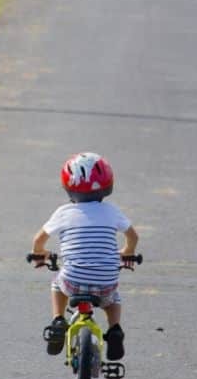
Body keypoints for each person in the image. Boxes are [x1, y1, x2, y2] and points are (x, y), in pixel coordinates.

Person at [30, 152, 139, 361]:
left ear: (68, 187)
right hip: (105, 282)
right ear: (108, 185)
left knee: (56, 283)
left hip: (73, 282)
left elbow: (38, 240)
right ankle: (115, 329)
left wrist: (40, 254)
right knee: (113, 296)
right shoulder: (112, 211)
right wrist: (127, 252)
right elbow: (133, 236)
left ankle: (58, 320)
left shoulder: (63, 212)